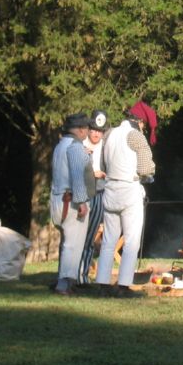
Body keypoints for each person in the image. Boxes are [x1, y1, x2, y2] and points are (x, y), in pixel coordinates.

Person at [95, 104, 156, 297]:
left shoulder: (109, 134)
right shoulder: (136, 136)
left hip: (110, 189)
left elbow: (104, 163)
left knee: (108, 241)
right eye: (143, 124)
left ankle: (103, 284)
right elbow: (146, 168)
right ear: (139, 121)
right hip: (129, 191)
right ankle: (124, 285)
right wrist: (147, 176)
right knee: (131, 241)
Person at [49, 113, 92, 296]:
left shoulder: (60, 146)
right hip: (71, 200)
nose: (88, 132)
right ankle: (64, 283)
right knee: (73, 243)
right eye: (87, 129)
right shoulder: (75, 147)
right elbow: (77, 177)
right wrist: (82, 202)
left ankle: (66, 281)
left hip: (59, 198)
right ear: (81, 129)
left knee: (68, 242)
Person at [77, 110, 108, 286]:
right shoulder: (80, 145)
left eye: (99, 131)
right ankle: (71, 274)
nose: (96, 134)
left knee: (90, 237)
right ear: (89, 129)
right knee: (76, 236)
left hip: (99, 194)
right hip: (83, 195)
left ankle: (83, 275)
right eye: (94, 130)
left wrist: (104, 175)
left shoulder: (106, 147)